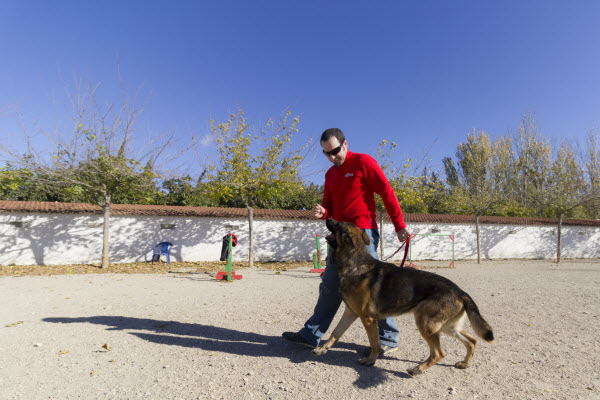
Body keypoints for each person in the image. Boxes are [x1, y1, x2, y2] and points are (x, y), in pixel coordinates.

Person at [282, 128, 411, 355]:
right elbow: (328, 208)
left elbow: (387, 193)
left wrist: (399, 225)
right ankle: (311, 335)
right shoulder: (330, 175)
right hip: (340, 238)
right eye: (326, 154)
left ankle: (388, 338)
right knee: (331, 286)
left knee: (374, 288)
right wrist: (322, 212)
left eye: (334, 151)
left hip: (363, 234)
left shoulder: (364, 162)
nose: (332, 157)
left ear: (345, 144)